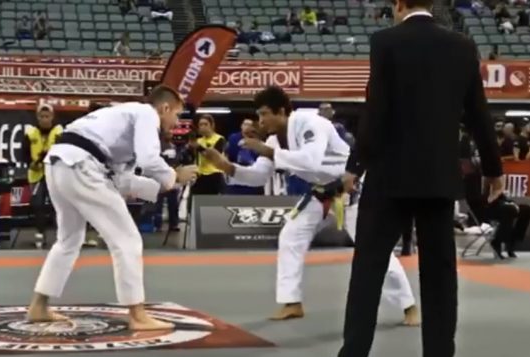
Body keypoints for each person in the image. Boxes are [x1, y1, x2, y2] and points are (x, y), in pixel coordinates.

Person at [318, 0, 504, 357]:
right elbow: (478, 112)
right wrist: (493, 168)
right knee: (440, 272)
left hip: (390, 176)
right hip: (438, 178)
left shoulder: (385, 41)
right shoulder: (462, 46)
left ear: (399, 5)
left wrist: (355, 166)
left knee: (369, 268)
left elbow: (376, 110)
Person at [202, 86, 418, 323]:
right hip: (321, 194)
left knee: (372, 249)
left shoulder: (310, 123)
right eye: (259, 114)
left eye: (265, 114)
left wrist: (267, 151)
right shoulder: (274, 140)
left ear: (281, 111)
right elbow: (259, 176)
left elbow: (310, 161)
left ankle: (409, 307)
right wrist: (225, 166)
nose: (261, 120)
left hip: (351, 190)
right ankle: (292, 302)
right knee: (290, 236)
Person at [27, 85, 198, 330]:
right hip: (81, 165)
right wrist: (173, 175)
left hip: (59, 164)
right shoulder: (146, 113)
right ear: (164, 108)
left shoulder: (119, 124)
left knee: (68, 240)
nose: (177, 123)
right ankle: (138, 316)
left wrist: (169, 184)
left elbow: (121, 181)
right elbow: (149, 160)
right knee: (127, 239)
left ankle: (39, 306)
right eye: (177, 115)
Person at [22, 104, 64, 249]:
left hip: (55, 174)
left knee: (57, 205)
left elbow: (64, 151)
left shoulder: (59, 132)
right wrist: (31, 164)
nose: (45, 119)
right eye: (42, 116)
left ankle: (61, 236)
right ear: (38, 117)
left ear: (52, 117)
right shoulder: (30, 133)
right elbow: (23, 153)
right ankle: (40, 233)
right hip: (36, 174)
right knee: (38, 205)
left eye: (47, 116)